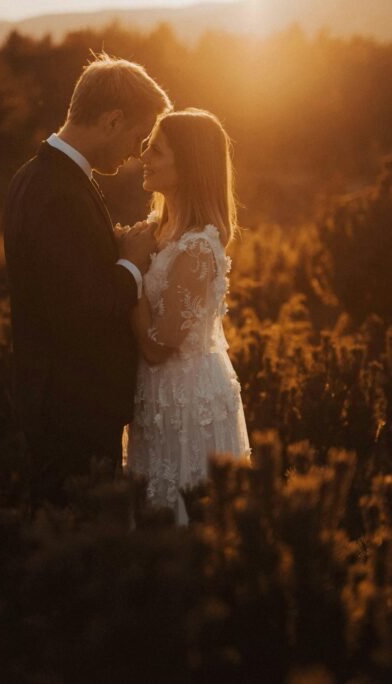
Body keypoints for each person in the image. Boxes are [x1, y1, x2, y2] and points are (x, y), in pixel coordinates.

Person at [3, 54, 172, 510]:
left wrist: (109, 252)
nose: (137, 153)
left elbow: (64, 280)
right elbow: (86, 305)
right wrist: (132, 264)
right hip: (71, 411)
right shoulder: (59, 191)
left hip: (57, 404)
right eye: (138, 137)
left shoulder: (35, 177)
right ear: (113, 120)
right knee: (80, 545)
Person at [123, 108, 252, 526]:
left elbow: (159, 347)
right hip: (156, 399)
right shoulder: (156, 231)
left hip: (187, 402)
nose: (144, 154)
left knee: (186, 519)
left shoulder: (198, 248)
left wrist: (132, 279)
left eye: (156, 149)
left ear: (188, 165)